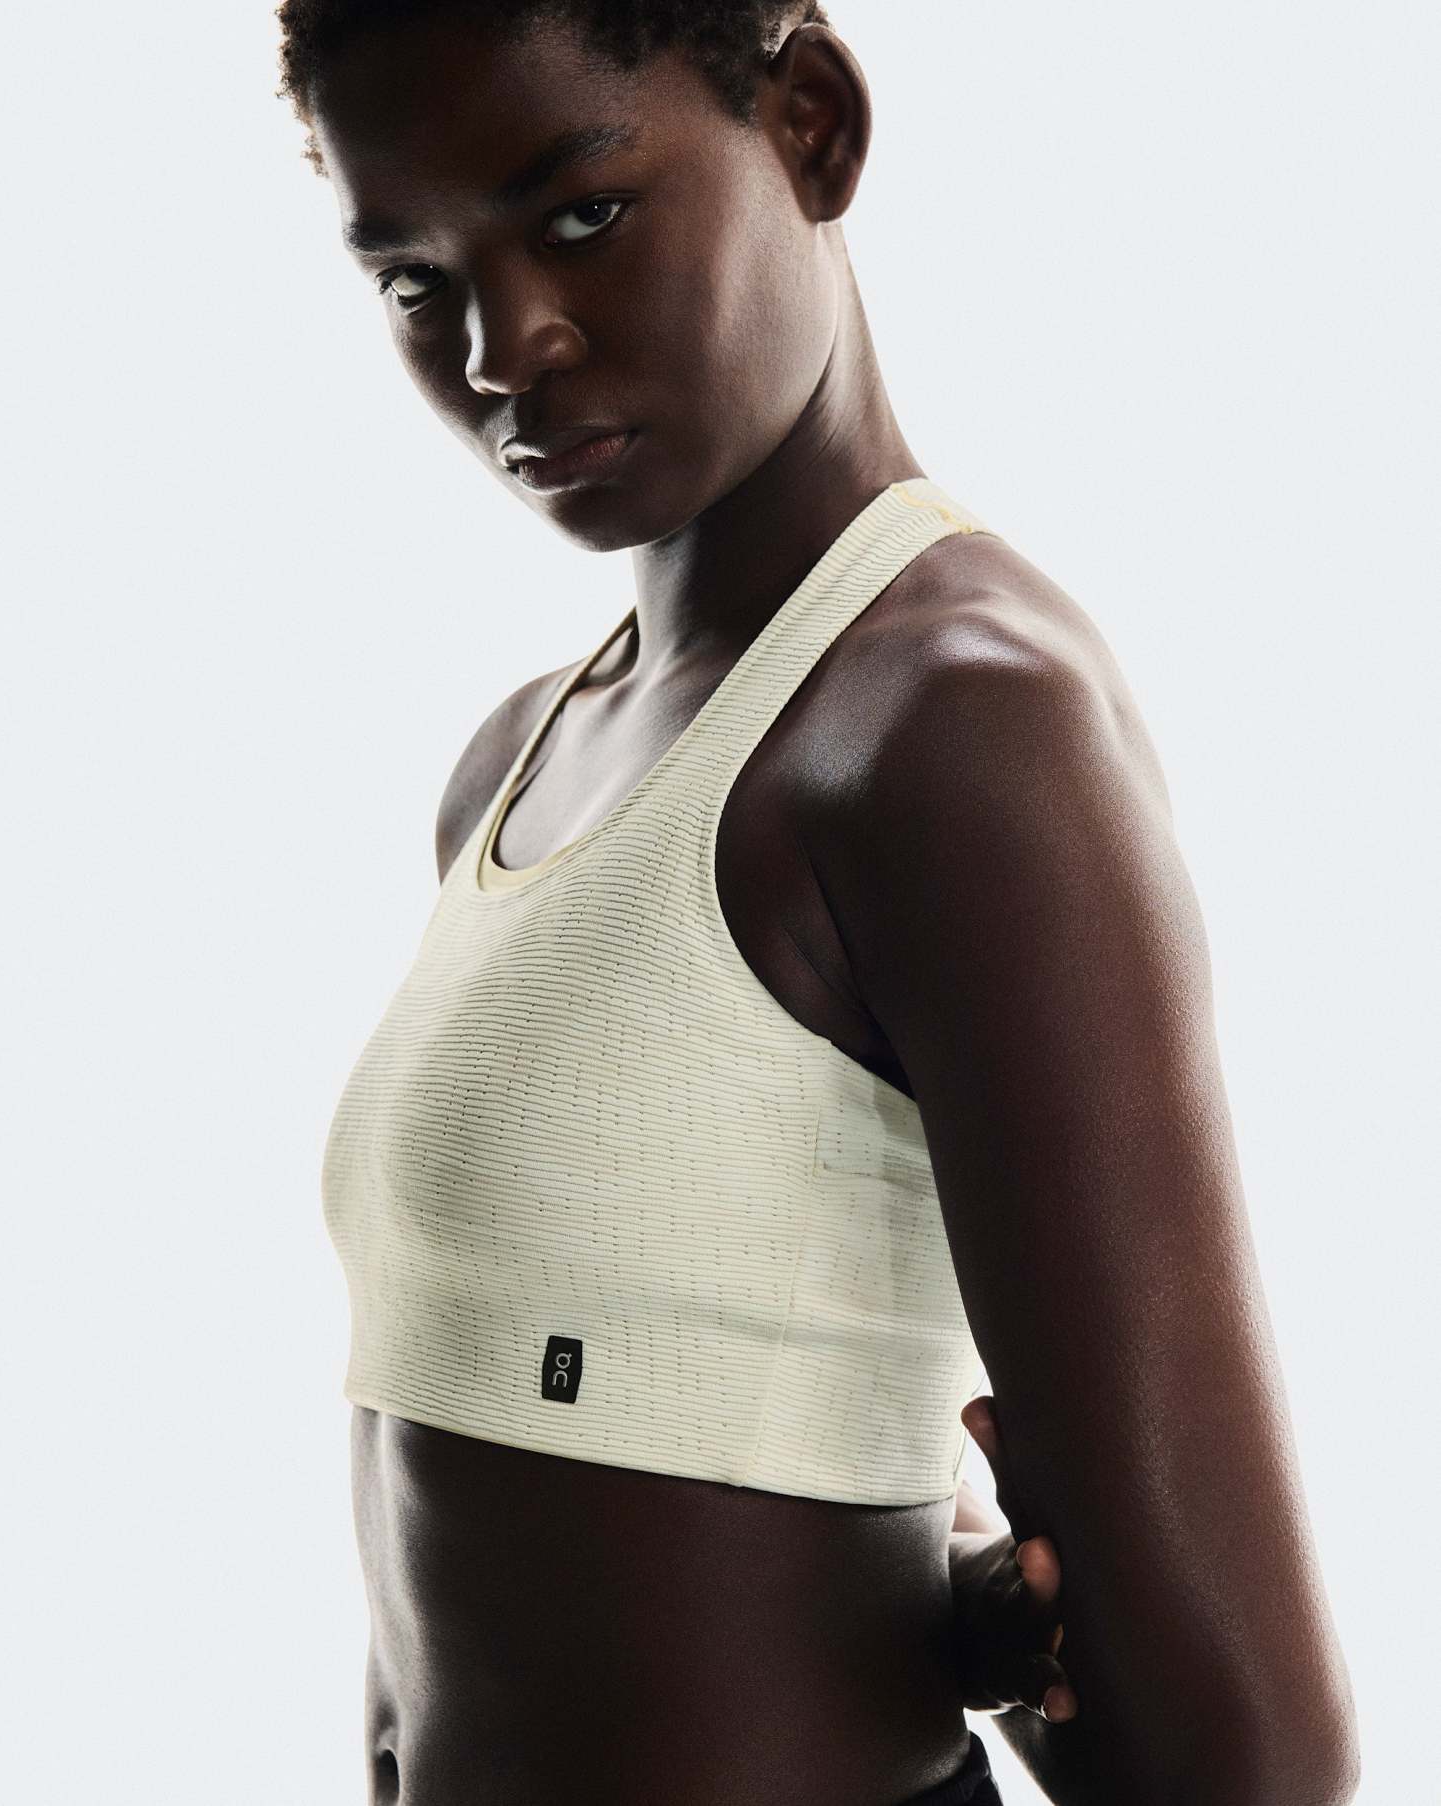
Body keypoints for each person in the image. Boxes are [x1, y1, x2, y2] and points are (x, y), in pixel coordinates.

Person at [278, 4, 1360, 1801]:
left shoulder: (953, 720)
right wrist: (942, 1589)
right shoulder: (519, 760)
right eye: (412, 278)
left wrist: (1050, 1681)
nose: (501, 344)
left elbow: (1246, 1746)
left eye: (579, 214)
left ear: (810, 123)